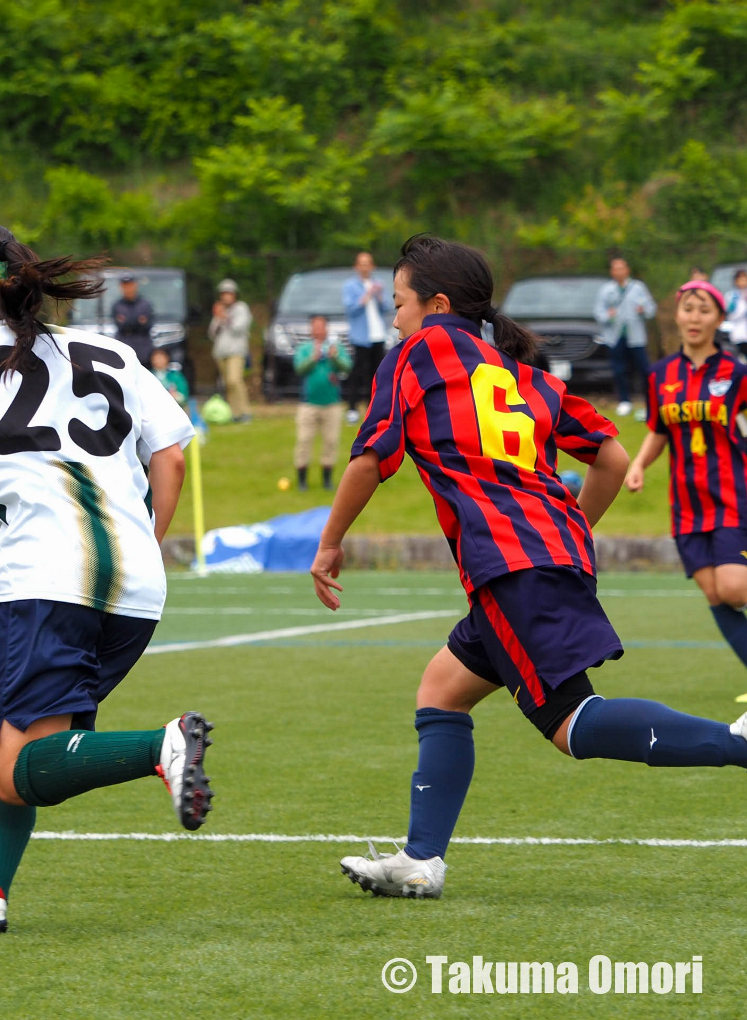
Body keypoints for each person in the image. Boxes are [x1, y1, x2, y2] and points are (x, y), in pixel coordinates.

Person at [310, 235, 747, 900]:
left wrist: (329, 541)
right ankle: (421, 859)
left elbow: (371, 457)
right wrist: (566, 531)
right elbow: (609, 456)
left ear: (436, 304)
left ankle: (739, 743)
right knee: (442, 690)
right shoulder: (524, 374)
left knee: (572, 725)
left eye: (399, 303)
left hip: (511, 565)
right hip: (537, 557)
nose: (394, 317)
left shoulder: (416, 353)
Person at [0, 223, 214, 934]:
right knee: (9, 744)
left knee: (18, 760)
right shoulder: (110, 351)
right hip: (135, 589)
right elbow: (174, 457)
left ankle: (163, 746)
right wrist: (148, 543)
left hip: (45, 578)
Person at [625, 281, 747, 694]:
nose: (695, 318)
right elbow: (659, 430)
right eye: (688, 309)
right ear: (677, 315)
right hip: (687, 506)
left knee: (734, 587)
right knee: (715, 593)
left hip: (734, 498)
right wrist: (639, 464)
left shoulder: (738, 375)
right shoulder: (660, 375)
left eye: (704, 310)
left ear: (719, 318)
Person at [292, 314, 352, 491]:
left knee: (331, 442)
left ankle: (327, 480)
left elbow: (347, 367)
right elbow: (299, 368)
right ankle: (302, 480)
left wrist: (334, 358)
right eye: (314, 326)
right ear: (311, 329)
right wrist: (313, 358)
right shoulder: (304, 348)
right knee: (304, 440)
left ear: (326, 328)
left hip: (332, 403)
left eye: (321, 326)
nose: (318, 329)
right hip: (308, 404)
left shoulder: (336, 347)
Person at [594, 256, 657, 419]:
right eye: (615, 268)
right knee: (619, 370)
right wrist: (608, 315)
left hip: (636, 336)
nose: (619, 271)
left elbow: (651, 308)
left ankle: (648, 402)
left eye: (622, 268)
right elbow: (598, 313)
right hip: (615, 336)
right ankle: (624, 401)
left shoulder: (638, 287)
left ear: (627, 270)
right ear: (611, 271)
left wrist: (643, 310)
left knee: (644, 370)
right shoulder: (606, 290)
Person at [342, 251, 394, 425]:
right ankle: (352, 408)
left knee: (377, 373)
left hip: (377, 334)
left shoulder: (378, 284)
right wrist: (367, 295)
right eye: (361, 263)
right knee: (358, 373)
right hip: (360, 337)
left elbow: (386, 306)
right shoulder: (350, 286)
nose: (365, 267)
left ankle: (374, 408)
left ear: (373, 266)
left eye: (368, 263)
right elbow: (351, 308)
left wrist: (378, 295)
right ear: (356, 266)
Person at [208, 278, 253, 422]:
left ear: (234, 294)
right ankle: (235, 414)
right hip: (221, 353)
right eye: (223, 293)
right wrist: (218, 318)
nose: (226, 296)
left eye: (229, 293)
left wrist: (224, 317)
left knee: (235, 380)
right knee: (228, 384)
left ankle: (245, 412)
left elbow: (238, 328)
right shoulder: (220, 310)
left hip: (236, 351)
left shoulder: (241, 308)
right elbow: (211, 333)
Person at [111, 271, 154, 365]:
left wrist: (128, 322)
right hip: (124, 345)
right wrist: (137, 321)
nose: (128, 288)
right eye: (125, 286)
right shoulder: (117, 305)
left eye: (130, 285)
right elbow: (120, 325)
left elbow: (147, 325)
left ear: (135, 285)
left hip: (143, 348)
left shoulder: (145, 304)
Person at [726, 269, 747, 354]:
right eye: (740, 279)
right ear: (736, 281)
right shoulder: (732, 296)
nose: (743, 281)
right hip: (739, 333)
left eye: (744, 278)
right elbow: (731, 315)